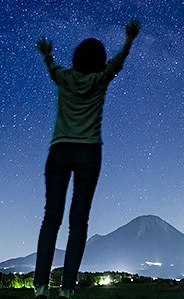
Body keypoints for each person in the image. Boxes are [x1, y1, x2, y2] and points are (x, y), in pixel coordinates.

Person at [32, 19, 141, 299]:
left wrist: (47, 53)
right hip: (89, 152)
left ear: (76, 58)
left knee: (50, 219)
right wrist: (128, 39)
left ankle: (41, 287)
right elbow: (117, 63)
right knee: (78, 221)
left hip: (59, 150)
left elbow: (51, 67)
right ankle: (67, 290)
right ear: (99, 61)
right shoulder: (100, 79)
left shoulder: (64, 78)